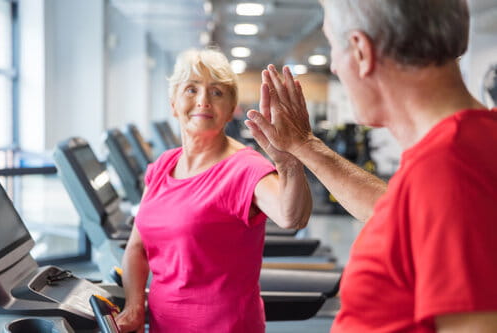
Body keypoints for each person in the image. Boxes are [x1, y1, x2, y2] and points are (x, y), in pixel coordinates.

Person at [245, 0, 497, 332]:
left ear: (361, 52)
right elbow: (402, 214)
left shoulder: (450, 169)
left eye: (334, 45)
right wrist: (304, 146)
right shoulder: (465, 149)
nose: (334, 66)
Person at [115, 48, 312, 333]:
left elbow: (291, 216)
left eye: (217, 92)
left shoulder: (244, 168)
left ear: (232, 106)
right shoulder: (162, 166)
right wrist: (134, 307)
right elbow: (137, 248)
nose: (203, 101)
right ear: (173, 103)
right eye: (191, 89)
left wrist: (289, 159)